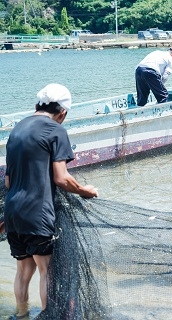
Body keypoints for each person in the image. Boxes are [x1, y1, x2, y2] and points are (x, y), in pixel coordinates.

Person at [4, 84, 98, 318]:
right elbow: (62, 178)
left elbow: (7, 182)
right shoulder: (56, 130)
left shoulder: (17, 129)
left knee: (24, 270)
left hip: (13, 212)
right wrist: (86, 191)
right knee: (47, 271)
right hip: (38, 214)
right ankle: (48, 315)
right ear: (63, 112)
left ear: (38, 104)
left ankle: (21, 314)